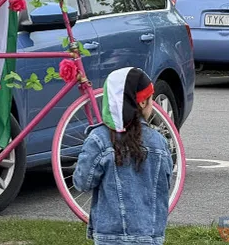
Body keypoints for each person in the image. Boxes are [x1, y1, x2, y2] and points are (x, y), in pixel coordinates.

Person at [73, 67, 173, 245]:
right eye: (151, 99)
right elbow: (165, 184)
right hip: (150, 235)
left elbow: (82, 183)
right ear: (142, 103)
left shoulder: (99, 139)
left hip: (110, 236)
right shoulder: (159, 141)